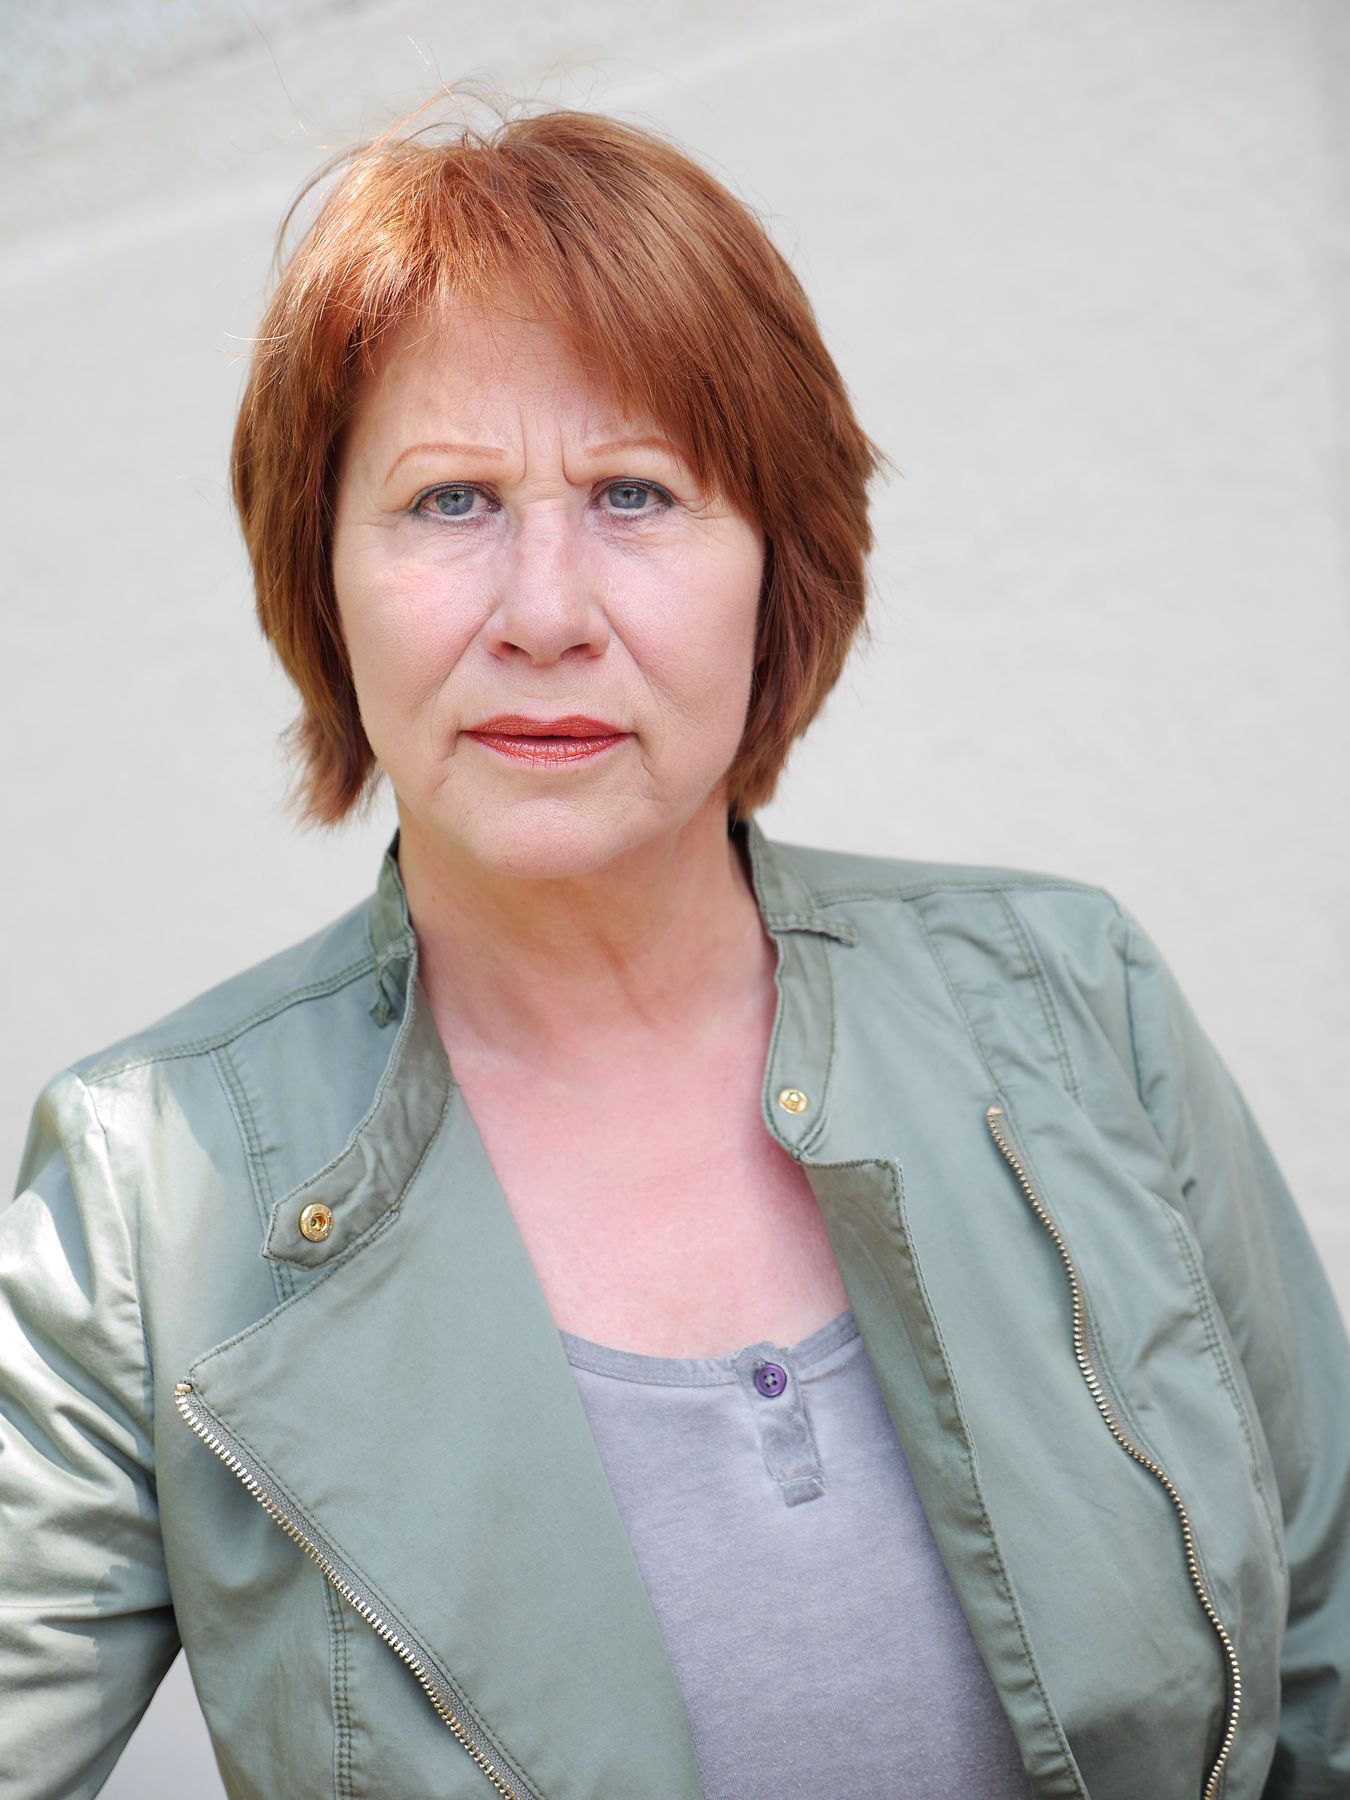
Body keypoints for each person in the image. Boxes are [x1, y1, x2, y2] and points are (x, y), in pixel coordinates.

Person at [2, 98, 1347, 1800]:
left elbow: (1323, 1675)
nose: (543, 611)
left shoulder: (1072, 1000)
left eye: (634, 492)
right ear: (320, 577)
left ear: (780, 567)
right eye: (448, 500)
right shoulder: (148, 1192)